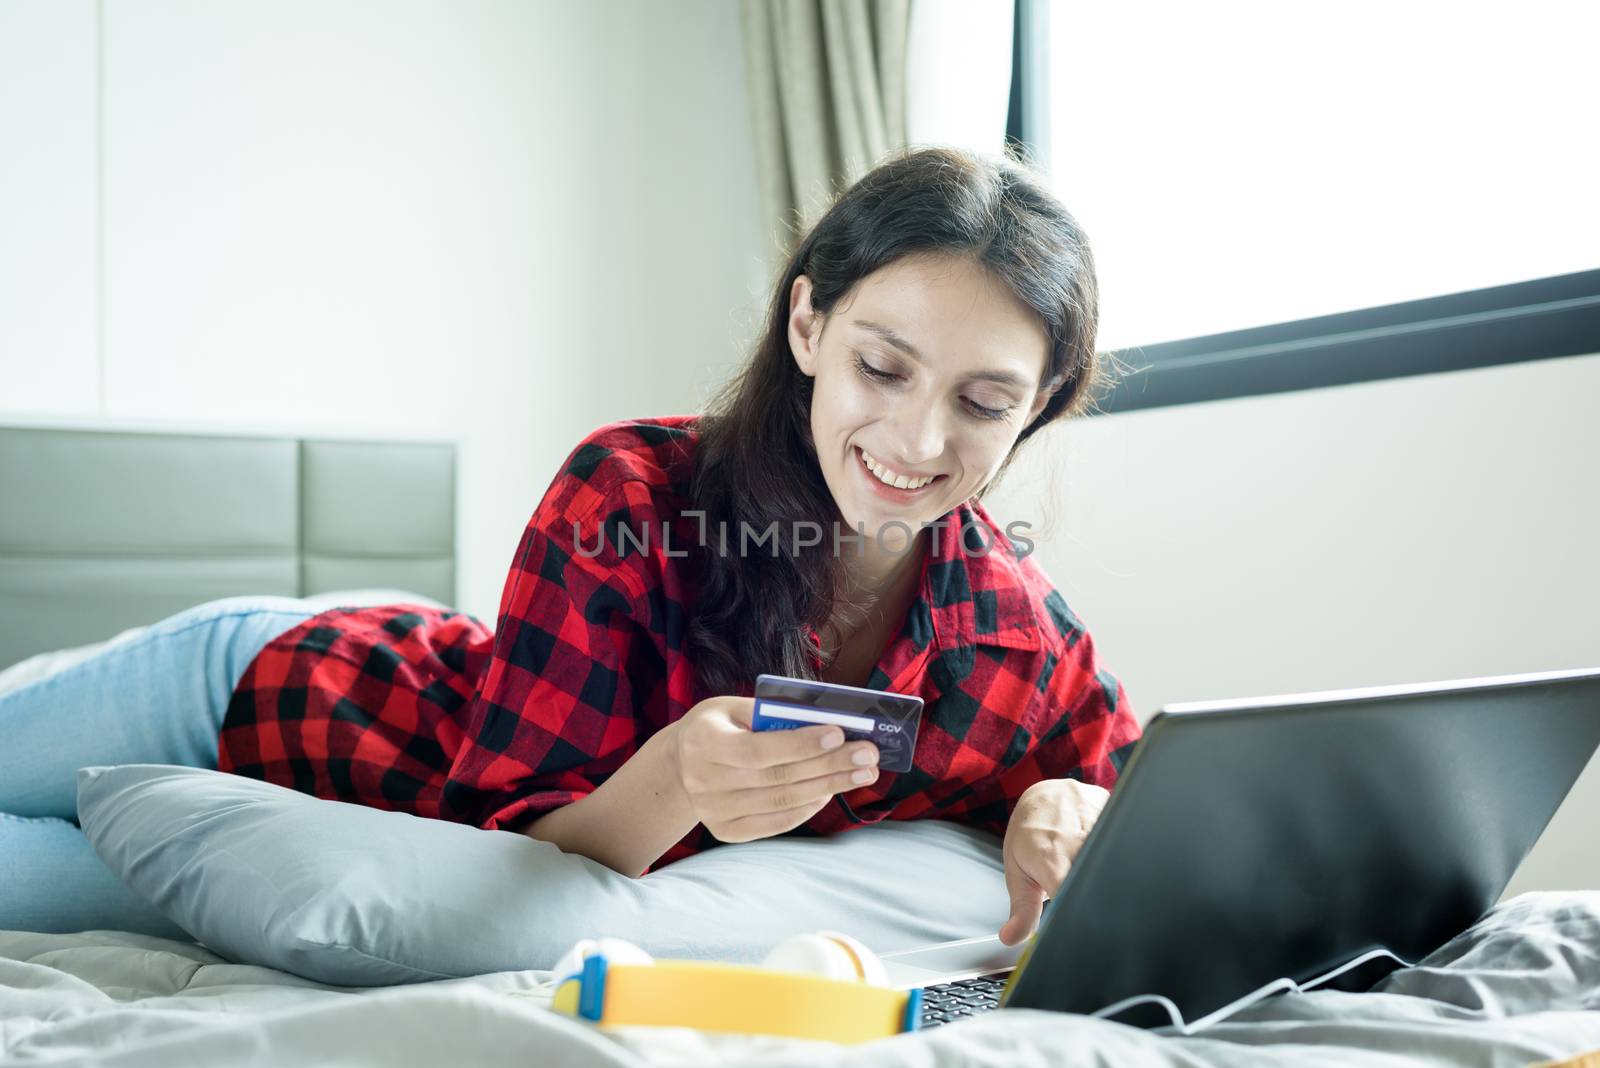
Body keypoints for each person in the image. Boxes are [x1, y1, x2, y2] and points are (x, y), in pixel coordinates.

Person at [0, 146, 1141, 949]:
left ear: (1034, 411)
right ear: (807, 326)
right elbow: (516, 830)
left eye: (983, 403)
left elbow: (1137, 783)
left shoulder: (1016, 635)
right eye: (880, 368)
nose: (917, 438)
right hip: (273, 691)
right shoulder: (632, 492)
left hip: (280, 845)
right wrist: (675, 781)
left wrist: (1065, 806)